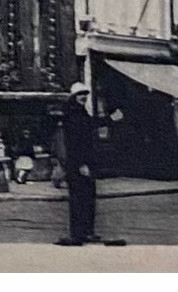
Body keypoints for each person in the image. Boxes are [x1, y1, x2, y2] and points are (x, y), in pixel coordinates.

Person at [57, 81, 122, 246]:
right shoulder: (72, 114)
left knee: (88, 198)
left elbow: (91, 124)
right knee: (79, 199)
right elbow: (75, 142)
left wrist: (109, 119)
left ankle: (87, 232)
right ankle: (77, 234)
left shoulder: (80, 112)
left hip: (86, 162)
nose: (83, 97)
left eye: (85, 94)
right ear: (73, 97)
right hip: (78, 163)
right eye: (80, 94)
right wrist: (81, 164)